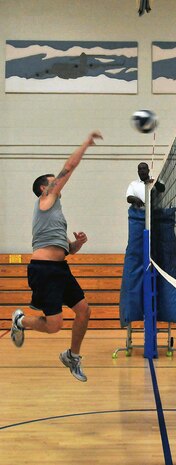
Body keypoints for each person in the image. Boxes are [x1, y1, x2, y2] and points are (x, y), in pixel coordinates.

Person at [10, 130, 103, 382]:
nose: (58, 183)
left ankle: (72, 356)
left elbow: (65, 251)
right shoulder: (45, 198)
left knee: (84, 311)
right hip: (43, 270)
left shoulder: (56, 212)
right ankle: (21, 321)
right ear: (44, 187)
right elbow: (69, 167)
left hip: (60, 269)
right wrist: (85, 143)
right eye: (53, 181)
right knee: (54, 325)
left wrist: (77, 244)